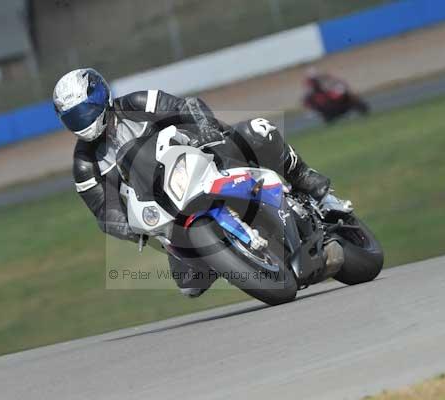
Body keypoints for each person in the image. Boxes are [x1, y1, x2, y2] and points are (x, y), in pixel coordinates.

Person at [53, 68, 340, 297]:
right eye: (73, 117)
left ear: (99, 98)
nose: (82, 121)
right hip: (166, 208)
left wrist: (203, 129)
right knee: (189, 283)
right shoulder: (84, 164)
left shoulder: (137, 103)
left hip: (204, 156)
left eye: (84, 111)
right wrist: (126, 226)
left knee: (257, 131)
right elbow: (103, 211)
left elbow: (184, 106)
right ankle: (235, 257)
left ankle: (304, 178)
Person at [303, 67, 369, 123]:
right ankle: (316, 112)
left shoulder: (323, 77)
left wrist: (335, 83)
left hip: (330, 94)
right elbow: (308, 96)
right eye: (313, 76)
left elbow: (333, 80)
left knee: (343, 95)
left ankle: (352, 106)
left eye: (315, 75)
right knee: (322, 104)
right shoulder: (310, 86)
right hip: (325, 103)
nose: (315, 78)